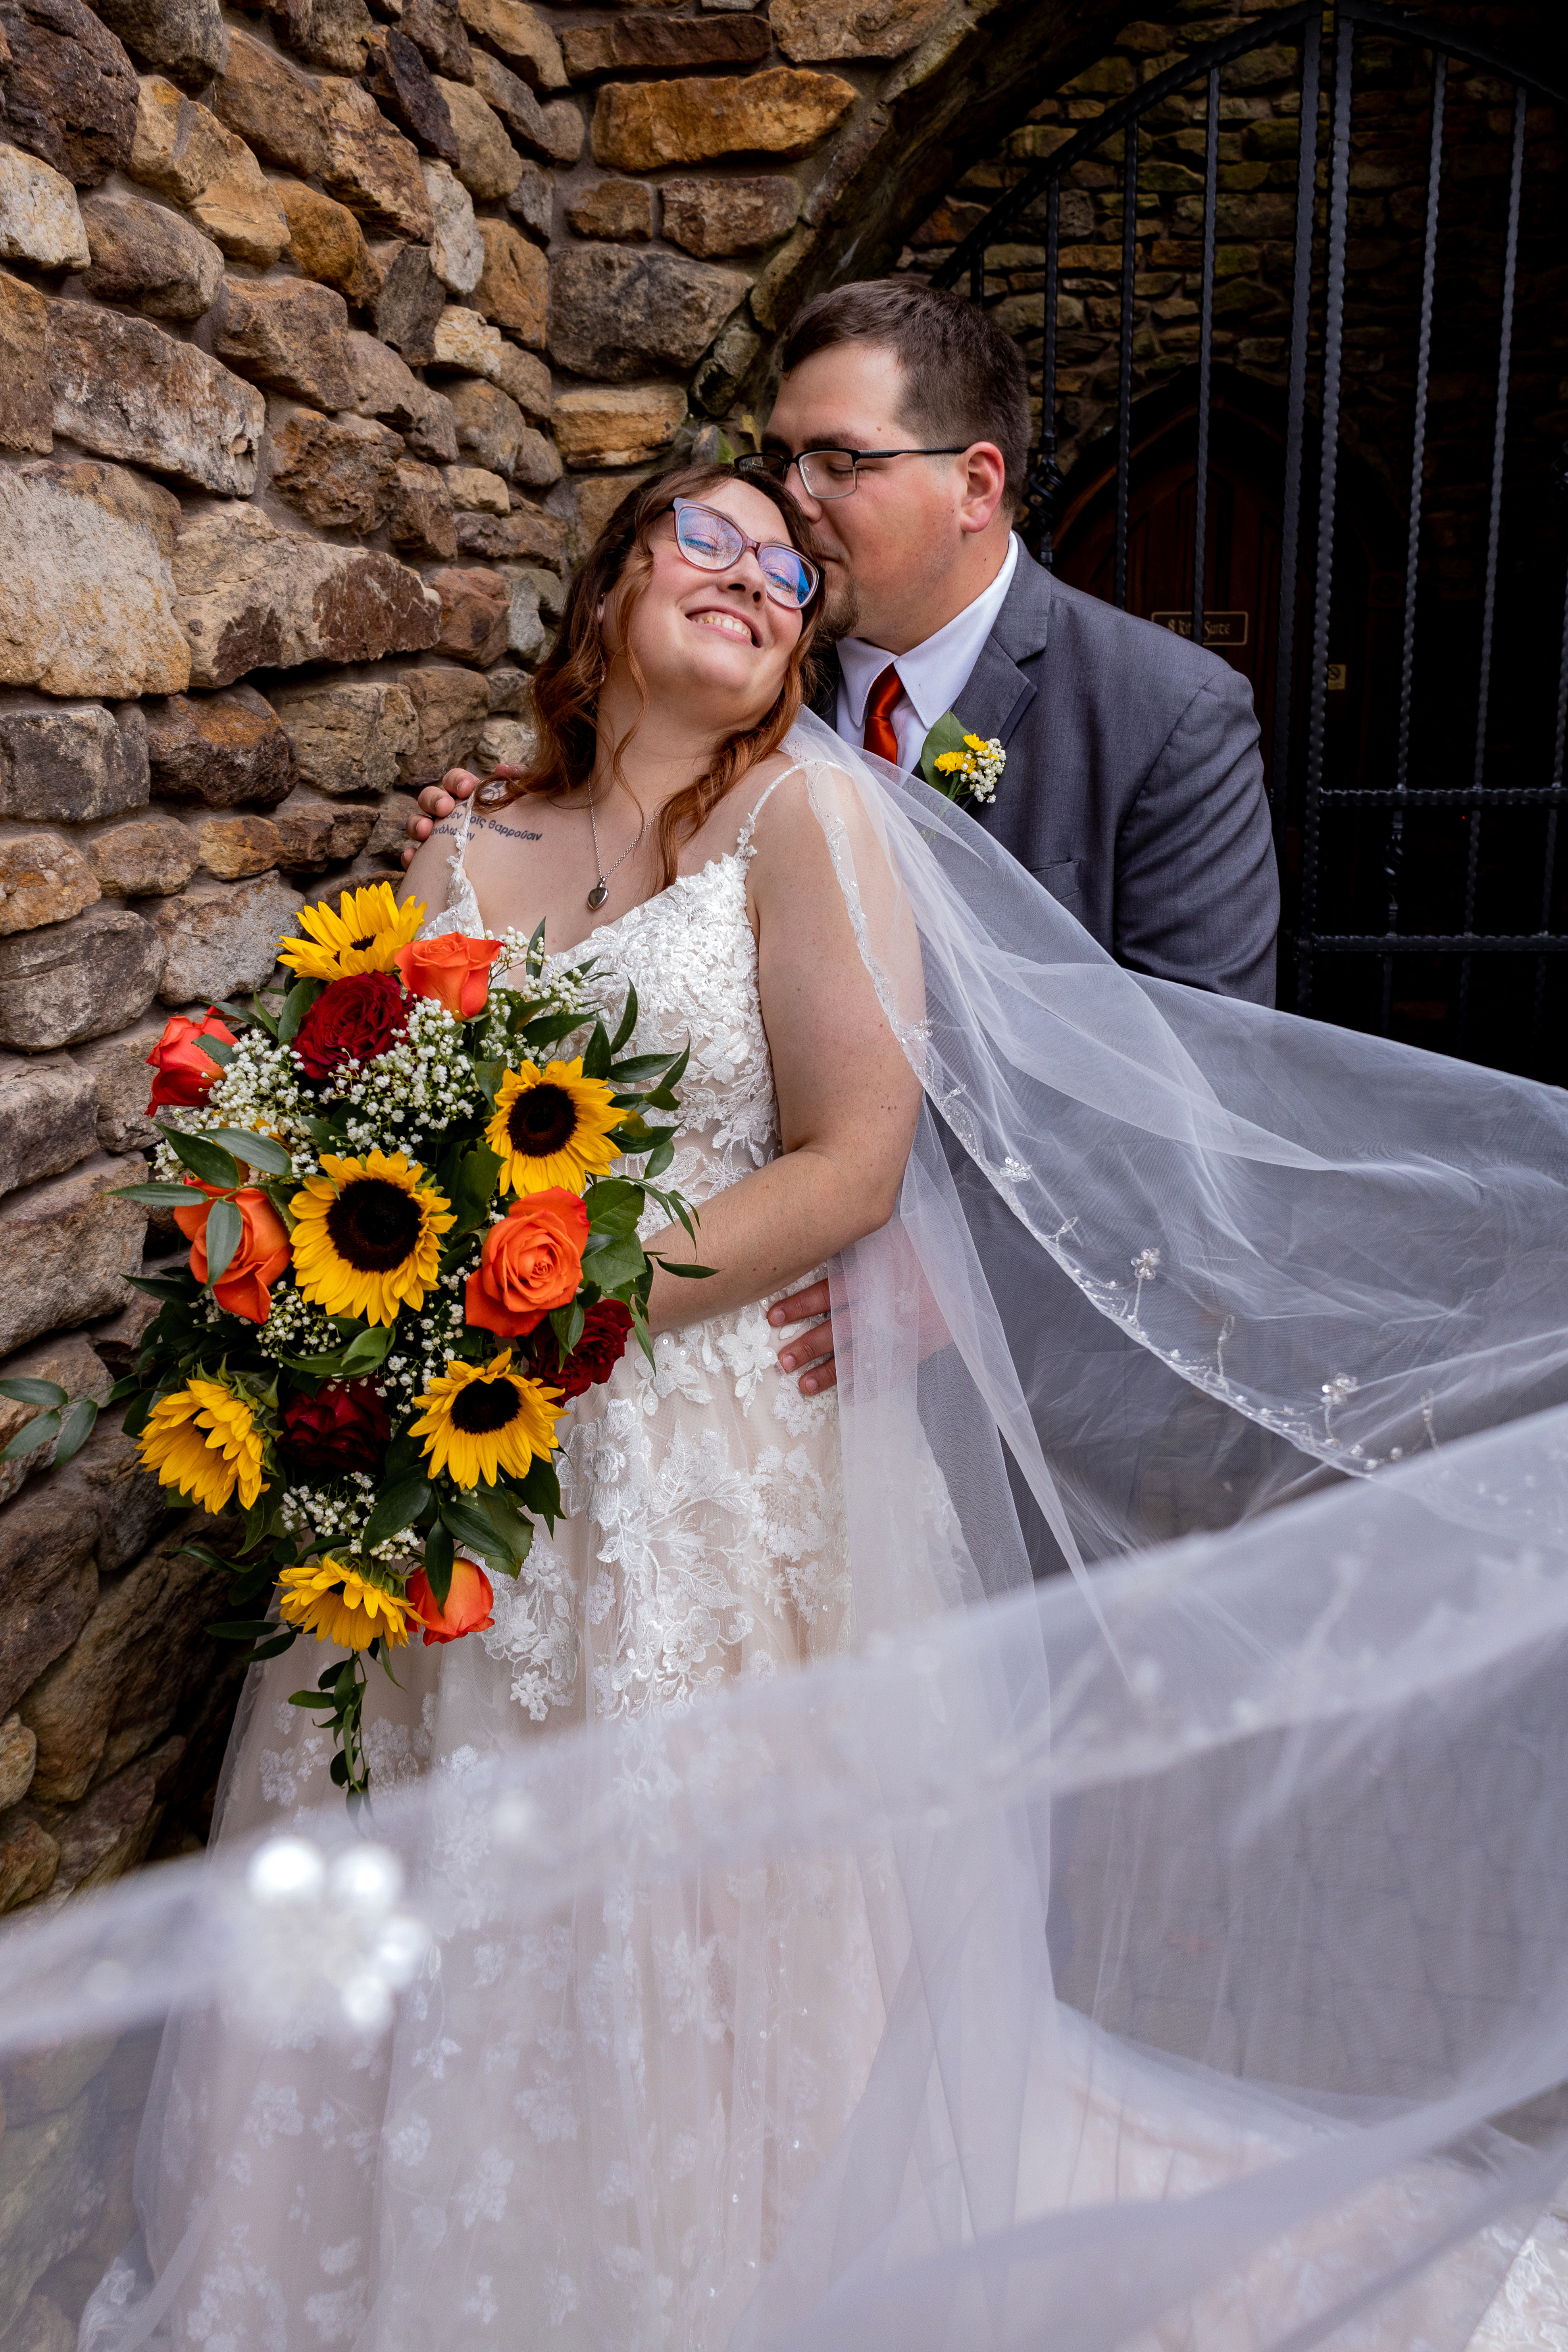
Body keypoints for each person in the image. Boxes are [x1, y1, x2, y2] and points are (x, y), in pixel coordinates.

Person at [60, 459, 1568, 2352]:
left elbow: (854, 1163)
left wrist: (548, 1320)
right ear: (609, 591)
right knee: (436, 1866)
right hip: (454, 1496)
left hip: (700, 1473)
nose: (758, 576)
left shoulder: (808, 823)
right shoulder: (450, 858)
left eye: (790, 572)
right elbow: (369, 1136)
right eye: (706, 537)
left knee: (711, 1920)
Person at [403, 278, 1279, 1401]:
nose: (794, 502)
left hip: (999, 1366)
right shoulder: (748, 651)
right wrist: (497, 840)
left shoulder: (1161, 712)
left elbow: (1201, 1073)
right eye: (781, 460)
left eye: (839, 462)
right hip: (695, 1360)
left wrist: (960, 1279)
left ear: (975, 484)